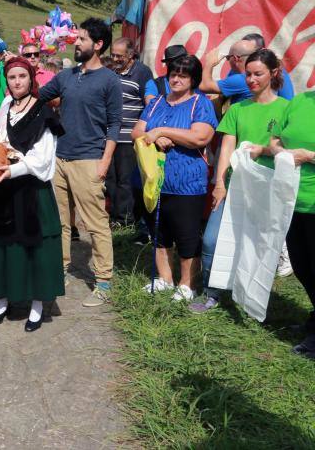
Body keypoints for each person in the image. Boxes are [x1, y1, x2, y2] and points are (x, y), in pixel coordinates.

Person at [188, 49, 290, 313]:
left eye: (258, 74)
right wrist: (220, 184)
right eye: (248, 74)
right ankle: (212, 293)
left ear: (274, 73)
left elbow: (284, 150)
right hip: (233, 186)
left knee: (256, 244)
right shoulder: (237, 109)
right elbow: (226, 149)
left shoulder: (287, 109)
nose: (251, 79)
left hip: (266, 188)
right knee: (211, 240)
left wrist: (264, 150)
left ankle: (249, 294)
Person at [38, 17, 122, 307]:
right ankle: (59, 269)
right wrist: (22, 73)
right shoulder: (66, 76)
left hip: (89, 159)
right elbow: (37, 97)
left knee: (95, 223)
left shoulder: (110, 80)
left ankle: (103, 282)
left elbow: (115, 126)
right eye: (77, 38)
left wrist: (104, 162)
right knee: (60, 222)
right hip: (59, 159)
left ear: (98, 45)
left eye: (83, 39)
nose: (77, 43)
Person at [0, 57, 65, 332]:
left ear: (31, 80)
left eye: (22, 77)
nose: (17, 82)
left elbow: (43, 160)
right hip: (3, 190)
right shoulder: (2, 111)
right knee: (2, 243)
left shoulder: (43, 112)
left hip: (31, 189)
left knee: (34, 248)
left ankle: (37, 305)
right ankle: (2, 299)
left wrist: (12, 171)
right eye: (12, 77)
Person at [132, 55, 218, 302]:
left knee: (186, 234)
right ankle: (165, 278)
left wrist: (162, 130)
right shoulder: (157, 101)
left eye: (183, 75)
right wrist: (154, 136)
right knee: (159, 232)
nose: (176, 79)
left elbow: (199, 137)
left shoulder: (200, 104)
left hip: (187, 183)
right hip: (154, 180)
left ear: (193, 79)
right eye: (173, 74)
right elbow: (137, 131)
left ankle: (187, 283)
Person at [260, 89, 315, 358]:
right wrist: (281, 152)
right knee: (302, 265)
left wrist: (309, 157)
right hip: (292, 199)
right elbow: (274, 140)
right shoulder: (300, 101)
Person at [107, 37, 155, 227]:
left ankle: (125, 220)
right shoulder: (111, 71)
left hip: (128, 135)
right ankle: (114, 216)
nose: (116, 59)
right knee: (110, 179)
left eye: (120, 56)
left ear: (130, 54)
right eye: (113, 55)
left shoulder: (142, 73)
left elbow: (149, 104)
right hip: (110, 135)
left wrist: (142, 129)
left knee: (125, 180)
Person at [201, 37, 295, 103]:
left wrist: (209, 63)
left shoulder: (241, 79)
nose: (251, 79)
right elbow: (289, 100)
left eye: (228, 58)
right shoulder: (278, 69)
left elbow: (204, 86)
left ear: (236, 58)